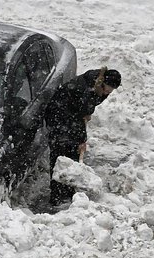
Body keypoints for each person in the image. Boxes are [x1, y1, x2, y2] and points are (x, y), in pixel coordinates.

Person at [45, 67, 121, 206]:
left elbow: (82, 114)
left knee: (71, 155)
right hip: (59, 118)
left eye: (110, 91)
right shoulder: (86, 91)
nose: (108, 93)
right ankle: (57, 198)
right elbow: (78, 117)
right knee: (60, 156)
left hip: (69, 116)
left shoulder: (97, 84)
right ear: (102, 82)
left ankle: (68, 193)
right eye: (107, 89)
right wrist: (81, 140)